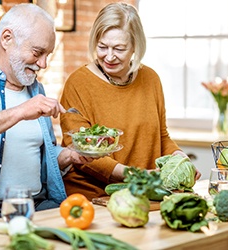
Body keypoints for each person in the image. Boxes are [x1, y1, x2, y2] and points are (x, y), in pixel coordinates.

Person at [60, 2, 201, 201]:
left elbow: (161, 135)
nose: (109, 56)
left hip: (143, 192)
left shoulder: (151, 79)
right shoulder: (78, 83)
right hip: (93, 197)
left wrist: (179, 158)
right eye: (102, 47)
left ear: (135, 46)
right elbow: (80, 151)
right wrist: (135, 175)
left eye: (119, 48)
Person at [0, 3, 94, 220]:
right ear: (7, 38)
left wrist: (68, 155)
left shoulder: (36, 89)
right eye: (38, 52)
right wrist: (20, 111)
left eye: (48, 54)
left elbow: (36, 154)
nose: (43, 64)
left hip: (41, 205)